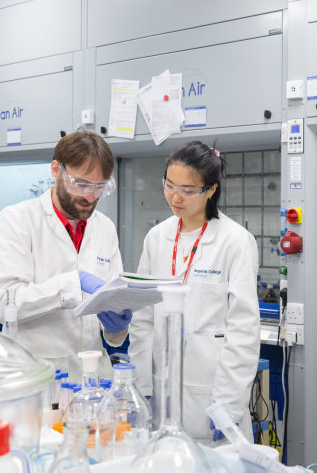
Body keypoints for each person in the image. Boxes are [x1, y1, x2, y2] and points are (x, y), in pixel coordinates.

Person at [128, 140, 261, 445]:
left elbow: (243, 331)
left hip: (213, 396)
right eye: (169, 185)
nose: (175, 197)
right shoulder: (156, 237)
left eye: (187, 190)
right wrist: (141, 387)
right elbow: (143, 318)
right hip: (162, 396)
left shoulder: (235, 242)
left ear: (211, 190)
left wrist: (227, 405)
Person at [0, 130, 132, 378]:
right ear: (56, 170)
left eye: (99, 187)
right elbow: (4, 304)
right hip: (39, 376)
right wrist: (71, 284)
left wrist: (117, 326)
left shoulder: (105, 227)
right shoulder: (17, 220)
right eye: (81, 184)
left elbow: (112, 306)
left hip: (95, 375)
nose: (89, 196)